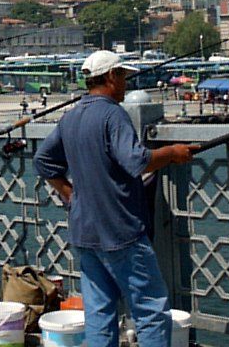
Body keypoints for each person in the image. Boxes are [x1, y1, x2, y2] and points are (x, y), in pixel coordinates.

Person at [34, 50, 194, 347]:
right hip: (121, 232)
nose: (125, 84)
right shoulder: (112, 114)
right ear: (110, 77)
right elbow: (136, 161)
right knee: (150, 309)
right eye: (123, 77)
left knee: (99, 313)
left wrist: (71, 196)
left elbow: (43, 161)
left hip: (85, 231)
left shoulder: (71, 117)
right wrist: (172, 153)